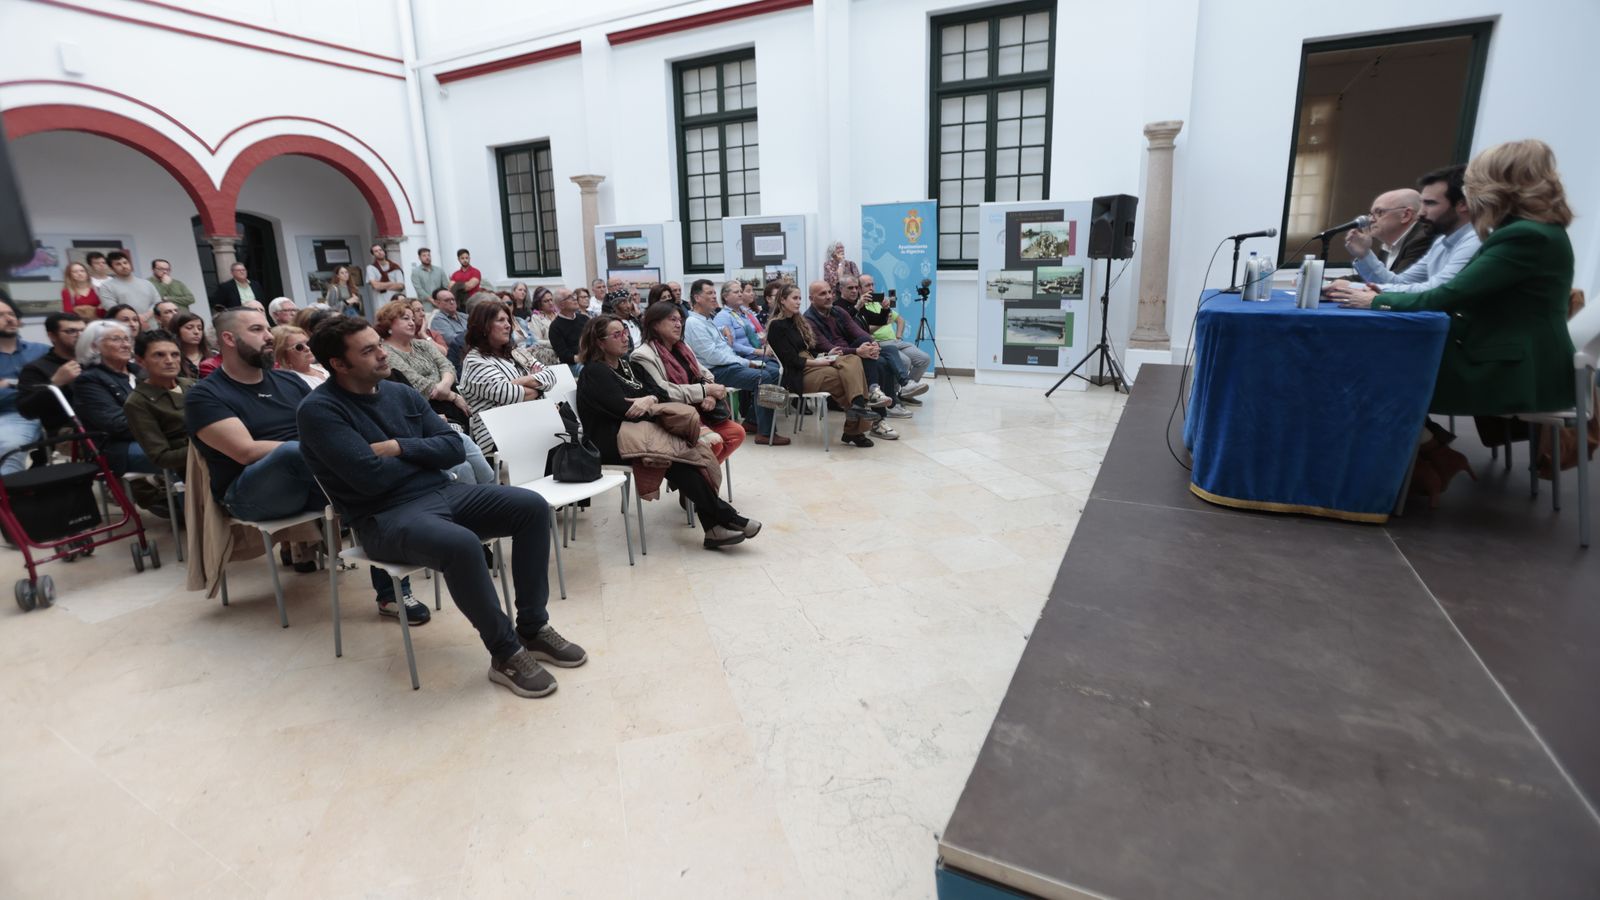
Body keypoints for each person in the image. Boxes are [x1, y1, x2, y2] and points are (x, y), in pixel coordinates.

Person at [297, 316, 584, 696]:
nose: (383, 354)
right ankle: (505, 652)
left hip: (443, 492)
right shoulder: (319, 411)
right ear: (338, 364)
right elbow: (368, 477)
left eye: (378, 344)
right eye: (368, 350)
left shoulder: (400, 394)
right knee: (462, 544)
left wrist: (399, 447)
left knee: (530, 506)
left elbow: (452, 447)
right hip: (383, 516)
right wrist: (421, 455)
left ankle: (531, 628)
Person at [1337, 139, 1578, 496]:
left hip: (1515, 370)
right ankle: (1428, 456)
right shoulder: (1532, 232)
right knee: (1383, 363)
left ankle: (1421, 457)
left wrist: (1375, 303)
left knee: (1374, 367)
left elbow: (1448, 296)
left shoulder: (1525, 236)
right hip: (1513, 356)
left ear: (1499, 185)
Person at [185, 307, 423, 619]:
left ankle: (392, 593)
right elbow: (244, 451)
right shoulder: (205, 395)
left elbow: (329, 422)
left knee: (366, 484)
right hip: (251, 494)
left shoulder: (290, 382)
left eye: (268, 330)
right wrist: (331, 449)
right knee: (298, 455)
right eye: (257, 330)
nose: (269, 336)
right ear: (228, 339)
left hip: (313, 479)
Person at [576, 315, 761, 548]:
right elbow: (626, 410)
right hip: (610, 441)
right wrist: (646, 403)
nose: (625, 338)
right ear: (599, 342)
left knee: (690, 455)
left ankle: (715, 528)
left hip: (638, 432)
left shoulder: (624, 365)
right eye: (617, 335)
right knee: (676, 458)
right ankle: (727, 519)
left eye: (624, 331)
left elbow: (653, 395)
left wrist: (649, 400)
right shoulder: (594, 372)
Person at [1326, 165, 1483, 305]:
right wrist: (1365, 255)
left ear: (1463, 204)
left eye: (1430, 203)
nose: (1421, 213)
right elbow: (1398, 281)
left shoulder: (1475, 240)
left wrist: (1357, 288)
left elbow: (1436, 290)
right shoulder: (1441, 241)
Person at [631, 301, 751, 459]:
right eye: (672, 320)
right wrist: (705, 391)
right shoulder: (643, 355)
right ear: (655, 324)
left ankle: (699, 478)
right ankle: (698, 480)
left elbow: (706, 374)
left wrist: (710, 395)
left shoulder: (682, 347)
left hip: (699, 411)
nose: (678, 324)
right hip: (673, 417)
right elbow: (664, 391)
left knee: (736, 433)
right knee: (712, 444)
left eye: (680, 320)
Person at [766, 284, 882, 447]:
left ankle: (857, 406)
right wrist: (817, 361)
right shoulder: (777, 326)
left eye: (799, 298)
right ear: (783, 301)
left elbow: (811, 348)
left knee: (853, 359)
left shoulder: (797, 321)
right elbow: (791, 360)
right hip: (798, 374)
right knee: (843, 378)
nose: (798, 302)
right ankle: (855, 428)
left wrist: (824, 355)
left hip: (813, 364)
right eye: (794, 298)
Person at [680, 279, 787, 444]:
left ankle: (753, 420)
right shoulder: (694, 323)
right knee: (764, 377)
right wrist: (746, 362)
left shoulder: (708, 320)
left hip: (727, 364)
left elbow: (724, 348)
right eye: (709, 293)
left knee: (774, 373)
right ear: (697, 298)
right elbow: (712, 356)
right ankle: (766, 433)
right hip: (714, 371)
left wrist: (741, 360)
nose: (714, 297)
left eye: (714, 293)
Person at [804, 280, 903, 439]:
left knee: (881, 362)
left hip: (850, 354)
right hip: (828, 359)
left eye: (830, 292)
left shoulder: (838, 311)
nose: (829, 296)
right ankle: (875, 414)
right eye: (822, 294)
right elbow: (826, 348)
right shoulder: (808, 320)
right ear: (811, 298)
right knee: (875, 362)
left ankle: (876, 404)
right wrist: (858, 350)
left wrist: (872, 344)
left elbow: (858, 332)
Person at [459, 301, 557, 454]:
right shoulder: (475, 361)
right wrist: (537, 387)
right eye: (500, 320)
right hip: (500, 437)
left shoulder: (515, 352)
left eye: (508, 320)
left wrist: (520, 382)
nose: (508, 325)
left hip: (530, 424)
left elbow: (550, 376)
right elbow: (509, 394)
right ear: (483, 326)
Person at [72, 320, 160, 482]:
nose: (126, 345)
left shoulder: (141, 372)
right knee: (187, 454)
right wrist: (164, 422)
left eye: (127, 339)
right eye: (116, 339)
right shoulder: (89, 381)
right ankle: (191, 505)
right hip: (118, 448)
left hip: (156, 437)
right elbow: (117, 424)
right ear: (94, 347)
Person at [124, 328, 195, 481]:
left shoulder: (193, 385)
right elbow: (161, 457)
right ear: (140, 361)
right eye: (159, 355)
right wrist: (208, 447)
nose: (169, 361)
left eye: (175, 354)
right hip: (193, 469)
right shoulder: (138, 402)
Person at [853, 274, 931, 402]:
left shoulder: (880, 302)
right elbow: (864, 330)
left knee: (924, 359)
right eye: (867, 285)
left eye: (873, 284)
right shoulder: (860, 307)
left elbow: (900, 320)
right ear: (860, 289)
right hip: (879, 342)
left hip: (895, 341)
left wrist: (898, 336)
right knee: (905, 361)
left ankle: (907, 393)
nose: (871, 288)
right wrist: (882, 323)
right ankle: (893, 396)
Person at [0, 295, 48, 476]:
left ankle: (9, 499)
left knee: (9, 448)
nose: (9, 318)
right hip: (5, 414)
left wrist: (10, 385)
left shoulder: (41, 350)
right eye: (1, 315)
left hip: (27, 414)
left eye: (11, 313)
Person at [16, 312, 85, 435]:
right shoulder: (35, 369)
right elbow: (26, 410)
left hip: (108, 422)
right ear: (52, 336)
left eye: (83, 331)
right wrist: (55, 384)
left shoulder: (96, 360)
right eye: (71, 331)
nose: (80, 335)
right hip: (69, 432)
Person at [95, 251, 160, 322]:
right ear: (111, 268)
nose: (124, 266)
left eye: (125, 263)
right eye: (118, 264)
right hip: (126, 328)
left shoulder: (147, 283)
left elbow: (157, 302)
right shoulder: (106, 286)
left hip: (152, 326)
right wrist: (135, 318)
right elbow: (112, 308)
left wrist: (146, 316)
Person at [166, 312, 215, 380]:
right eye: (189, 328)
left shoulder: (214, 355)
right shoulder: (171, 359)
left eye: (200, 328)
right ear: (176, 330)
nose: (196, 332)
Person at [548, 288, 589, 366]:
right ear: (561, 305)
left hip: (591, 358)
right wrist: (583, 358)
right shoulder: (555, 327)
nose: (575, 298)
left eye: (574, 295)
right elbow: (564, 355)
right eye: (570, 297)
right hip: (573, 363)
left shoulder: (584, 319)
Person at [365, 243, 405, 313]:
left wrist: (381, 285)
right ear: (373, 254)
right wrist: (391, 283)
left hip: (395, 301)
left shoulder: (395, 267)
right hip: (380, 303)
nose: (379, 252)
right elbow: (375, 286)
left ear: (384, 251)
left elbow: (400, 286)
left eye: (380, 250)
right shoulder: (371, 268)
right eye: (376, 251)